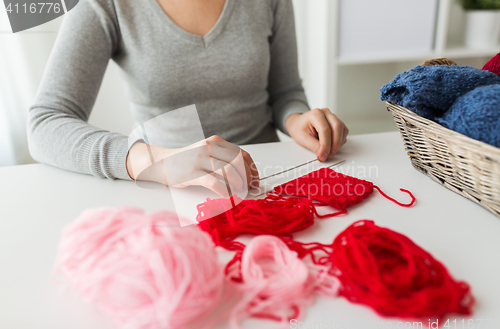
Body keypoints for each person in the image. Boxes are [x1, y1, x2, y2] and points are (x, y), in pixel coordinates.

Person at [28, 0, 348, 196]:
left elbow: (285, 92)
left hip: (262, 182)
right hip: (165, 193)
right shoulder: (104, 3)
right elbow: (45, 124)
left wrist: (297, 118)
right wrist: (159, 163)